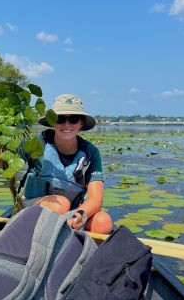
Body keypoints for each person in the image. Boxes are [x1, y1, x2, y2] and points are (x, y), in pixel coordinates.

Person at [18, 94, 113, 234]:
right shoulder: (35, 143)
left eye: (73, 119)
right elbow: (2, 162)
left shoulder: (91, 152)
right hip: (35, 205)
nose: (67, 124)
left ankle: (84, 254)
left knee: (103, 221)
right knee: (60, 205)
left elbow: (96, 199)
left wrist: (78, 216)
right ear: (52, 122)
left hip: (72, 211)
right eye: (60, 119)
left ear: (81, 123)